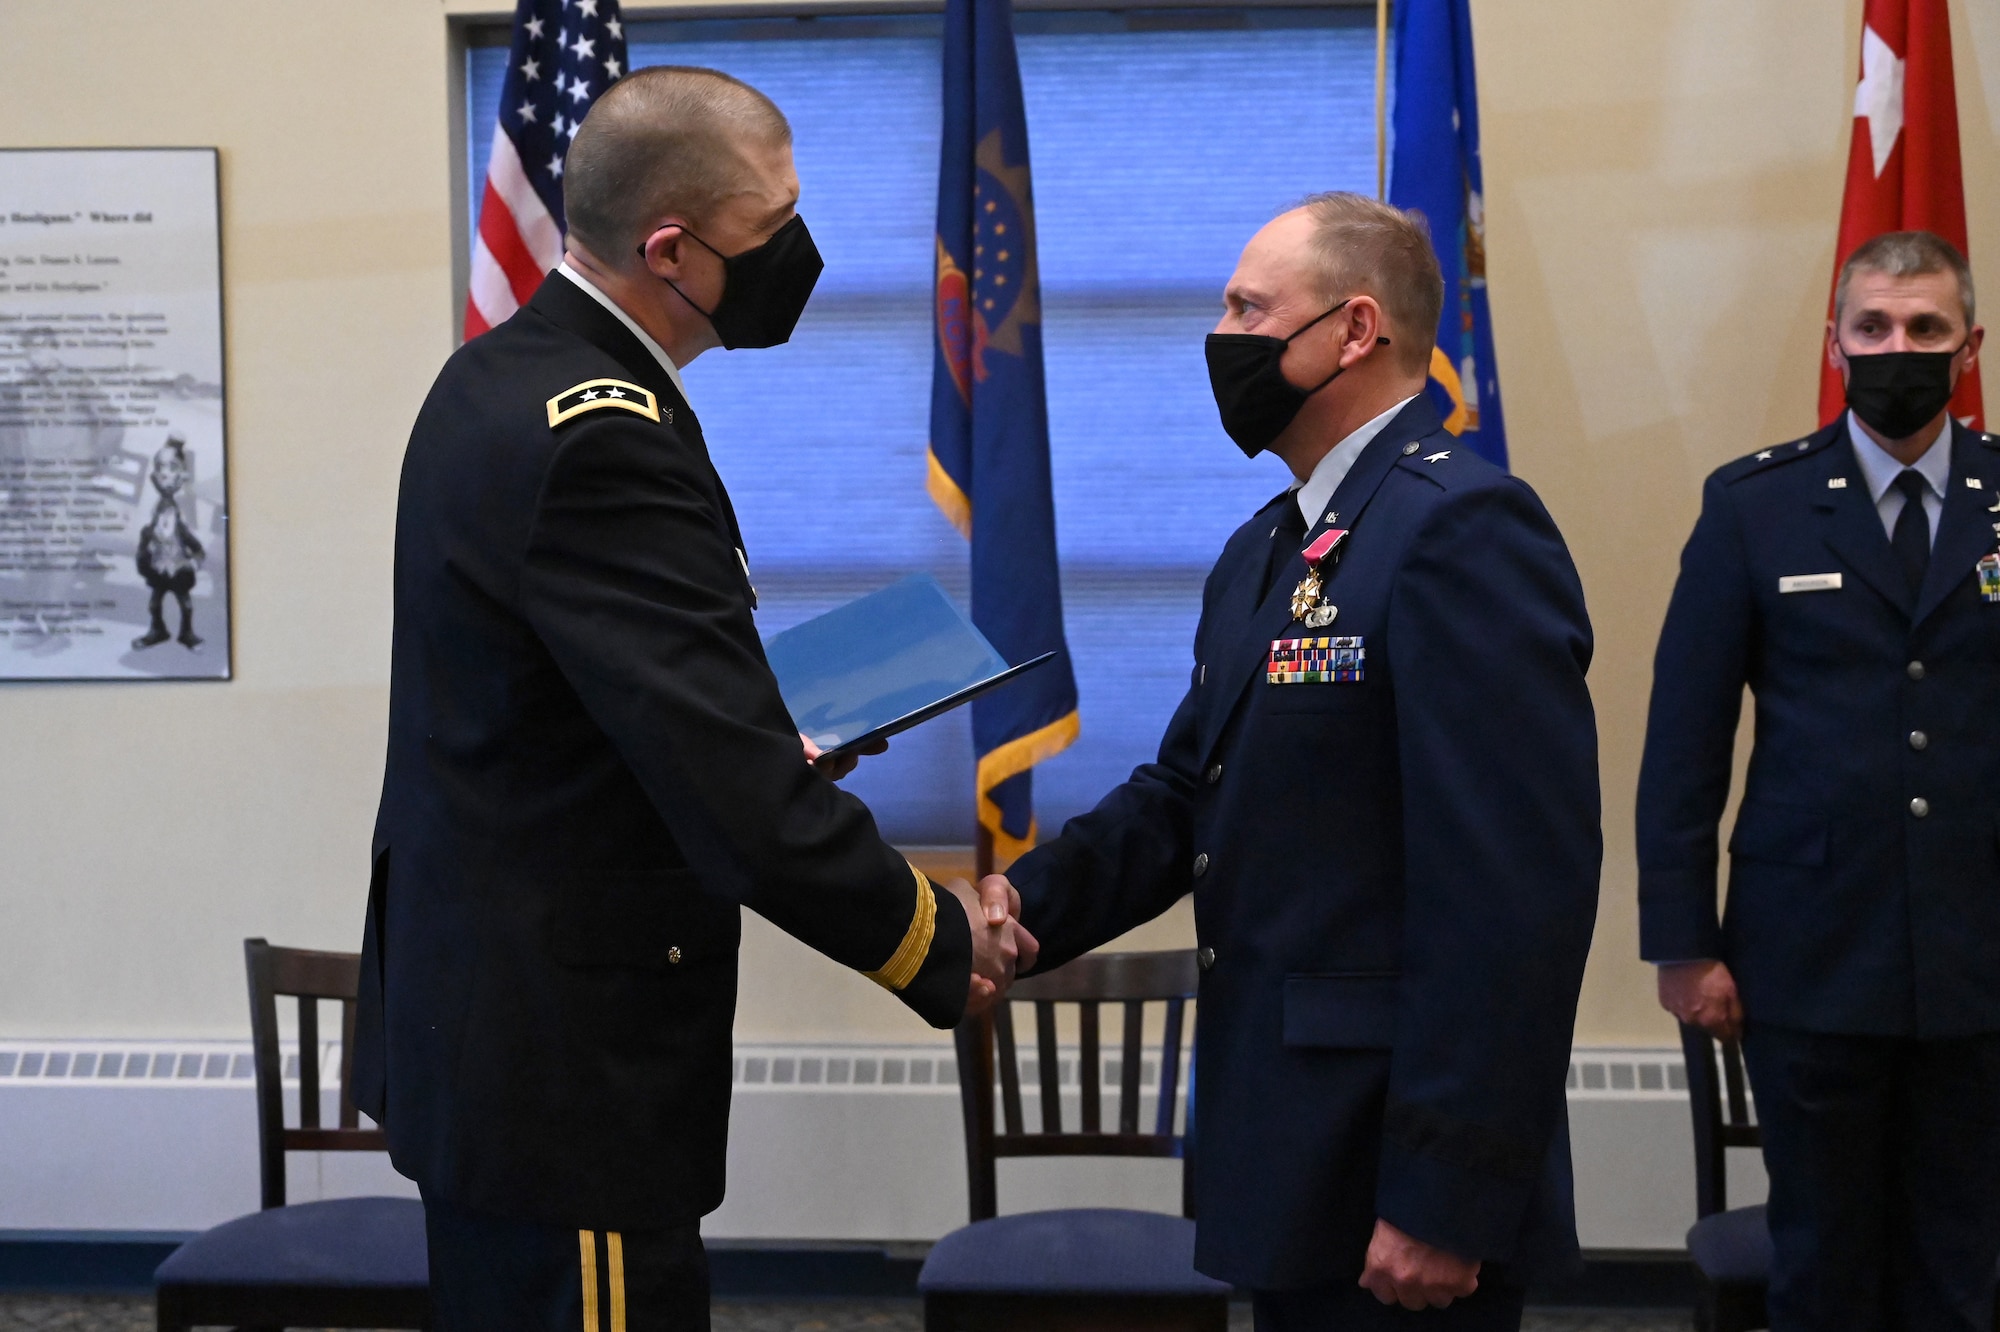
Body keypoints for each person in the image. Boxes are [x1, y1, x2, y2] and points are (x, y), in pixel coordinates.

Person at [350, 66, 1034, 1332]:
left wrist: (750, 728)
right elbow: (729, 789)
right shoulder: (599, 430)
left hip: (496, 1030)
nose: (800, 254)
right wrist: (936, 941)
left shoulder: (497, 376)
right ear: (670, 249)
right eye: (771, 232)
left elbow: (596, 703)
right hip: (569, 1067)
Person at [985, 192, 1601, 1330]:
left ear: (1353, 331)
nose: (1220, 335)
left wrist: (1445, 1199)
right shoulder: (1269, 548)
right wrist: (1014, 906)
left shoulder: (1459, 530)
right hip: (1288, 1145)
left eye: (1247, 307)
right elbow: (1184, 795)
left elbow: (1513, 898)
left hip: (1392, 1168)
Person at [1637, 229, 1995, 1329]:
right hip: (1805, 953)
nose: (1899, 349)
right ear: (1831, 344)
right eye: (1874, 327)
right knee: (1821, 1262)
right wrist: (1683, 940)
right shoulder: (1755, 505)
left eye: (1925, 329)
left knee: (1962, 1266)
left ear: (1967, 345)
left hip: (1980, 951)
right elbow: (1685, 739)